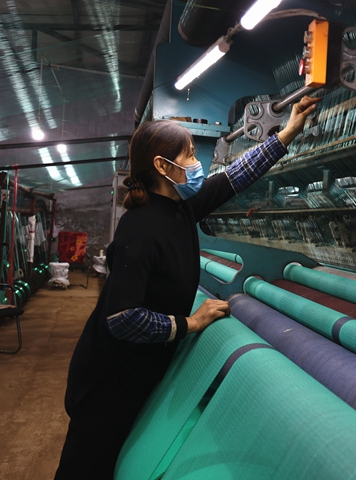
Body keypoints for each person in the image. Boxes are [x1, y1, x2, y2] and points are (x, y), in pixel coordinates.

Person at [54, 96, 321, 479]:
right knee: (86, 467)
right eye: (190, 155)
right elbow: (122, 318)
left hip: (134, 372)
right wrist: (190, 324)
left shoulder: (178, 209)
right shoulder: (141, 231)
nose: (197, 163)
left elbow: (232, 179)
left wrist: (286, 134)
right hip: (107, 381)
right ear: (163, 166)